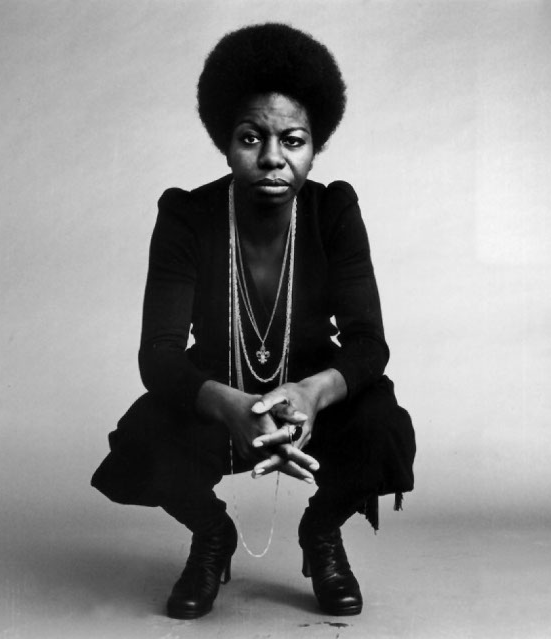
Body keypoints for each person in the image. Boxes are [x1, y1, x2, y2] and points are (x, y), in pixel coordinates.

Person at [91, 22, 415, 620]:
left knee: (382, 429)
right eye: (251, 138)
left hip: (315, 389)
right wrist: (230, 406)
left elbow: (369, 344)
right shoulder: (187, 217)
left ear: (315, 145)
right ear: (226, 141)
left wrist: (312, 395)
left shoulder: (333, 211)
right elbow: (158, 354)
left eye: (292, 140)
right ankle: (213, 535)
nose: (272, 157)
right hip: (218, 387)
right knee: (144, 440)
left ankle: (321, 533)